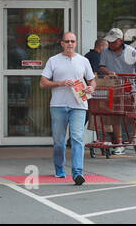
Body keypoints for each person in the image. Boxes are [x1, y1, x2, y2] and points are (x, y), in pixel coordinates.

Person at [40, 32, 95, 185]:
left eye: (72, 41)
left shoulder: (83, 61)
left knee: (77, 138)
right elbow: (43, 83)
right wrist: (60, 83)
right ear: (61, 43)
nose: (70, 44)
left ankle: (78, 173)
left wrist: (91, 88)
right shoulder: (53, 60)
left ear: (76, 43)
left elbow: (92, 80)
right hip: (58, 105)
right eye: (67, 41)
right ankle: (59, 168)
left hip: (79, 105)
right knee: (59, 140)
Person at [94, 28, 136, 152]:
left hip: (129, 86)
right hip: (113, 86)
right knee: (114, 114)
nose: (110, 44)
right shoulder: (105, 51)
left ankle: (135, 137)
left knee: (132, 114)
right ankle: (119, 143)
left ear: (120, 41)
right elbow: (102, 66)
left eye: (113, 42)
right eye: (109, 42)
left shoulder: (131, 52)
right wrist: (109, 72)